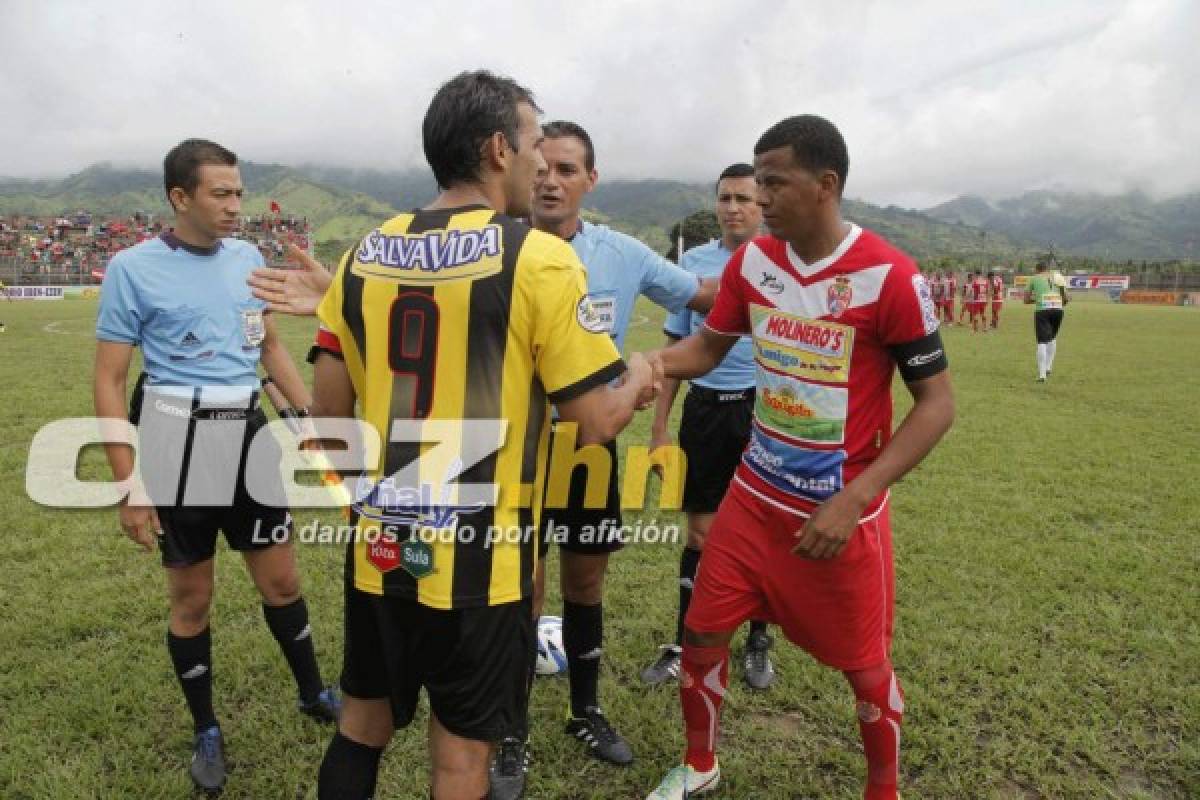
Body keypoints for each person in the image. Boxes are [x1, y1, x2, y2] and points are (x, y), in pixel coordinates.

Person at [296, 71, 656, 800]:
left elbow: (328, 419)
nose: (538, 164)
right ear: (497, 148)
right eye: (531, 145)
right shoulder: (538, 256)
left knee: (360, 729)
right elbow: (590, 425)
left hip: (382, 544)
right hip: (483, 561)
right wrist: (641, 376)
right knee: (460, 762)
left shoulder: (361, 253)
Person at [642, 115, 955, 800]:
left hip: (838, 512)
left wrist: (856, 496)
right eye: (756, 183)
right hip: (752, 500)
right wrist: (650, 367)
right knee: (700, 631)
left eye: (774, 183)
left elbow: (937, 405)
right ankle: (700, 765)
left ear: (826, 184)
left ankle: (884, 789)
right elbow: (707, 348)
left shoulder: (890, 276)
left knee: (865, 668)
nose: (760, 198)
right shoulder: (753, 263)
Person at [93, 139, 339, 794]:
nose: (236, 206)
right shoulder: (132, 269)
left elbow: (271, 352)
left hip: (249, 436)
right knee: (192, 600)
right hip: (178, 442)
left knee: (283, 582)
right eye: (221, 194)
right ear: (180, 198)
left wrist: (309, 416)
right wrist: (130, 486)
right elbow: (110, 382)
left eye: (239, 192)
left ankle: (314, 693)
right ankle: (207, 728)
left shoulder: (248, 259)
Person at [486, 119, 719, 788]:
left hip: (592, 448)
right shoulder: (495, 245)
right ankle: (511, 731)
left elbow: (701, 295)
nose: (551, 180)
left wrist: (776, 278)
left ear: (591, 180)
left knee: (585, 584)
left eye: (568, 169)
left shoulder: (621, 253)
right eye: (543, 166)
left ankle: (586, 709)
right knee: (519, 593)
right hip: (513, 457)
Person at [640, 162, 776, 691]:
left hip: (764, 413)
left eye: (744, 197)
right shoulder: (693, 267)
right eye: (725, 197)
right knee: (700, 532)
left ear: (762, 204)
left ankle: (758, 640)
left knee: (763, 532)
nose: (733, 207)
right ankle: (685, 641)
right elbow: (675, 349)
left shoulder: (779, 263)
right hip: (704, 409)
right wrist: (659, 430)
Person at [1024, 258, 1068, 381]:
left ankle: (1042, 375)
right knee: (1052, 337)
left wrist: (1037, 299)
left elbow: (1026, 300)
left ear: (1037, 270)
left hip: (1043, 310)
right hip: (1058, 310)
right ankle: (1049, 367)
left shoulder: (1034, 278)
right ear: (1047, 269)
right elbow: (1066, 299)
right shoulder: (1058, 276)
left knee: (1042, 342)